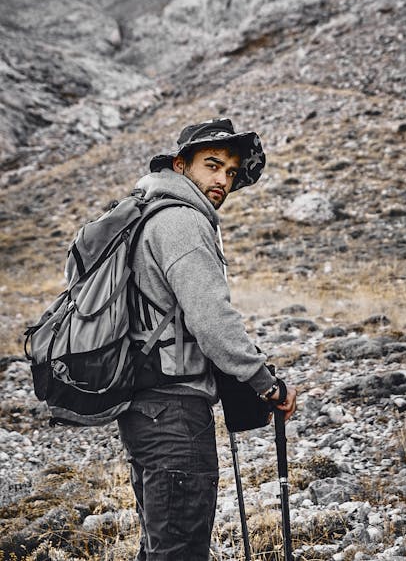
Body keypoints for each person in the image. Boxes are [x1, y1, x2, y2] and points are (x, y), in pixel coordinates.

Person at [118, 117, 297, 561]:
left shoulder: (152, 214)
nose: (222, 180)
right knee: (179, 550)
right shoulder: (181, 220)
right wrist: (265, 383)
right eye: (212, 165)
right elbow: (212, 319)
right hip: (175, 413)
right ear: (181, 166)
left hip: (148, 410)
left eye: (231, 172)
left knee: (162, 545)